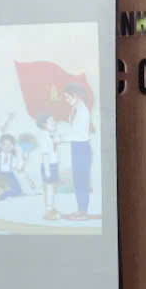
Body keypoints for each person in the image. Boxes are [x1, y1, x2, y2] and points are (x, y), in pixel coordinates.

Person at [58, 83, 97, 221]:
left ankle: (83, 212)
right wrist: (62, 136)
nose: (66, 99)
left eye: (68, 97)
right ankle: (81, 210)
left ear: (77, 95)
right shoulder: (75, 109)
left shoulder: (82, 111)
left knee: (81, 181)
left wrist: (59, 139)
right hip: (77, 147)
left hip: (81, 148)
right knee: (78, 180)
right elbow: (72, 130)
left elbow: (77, 134)